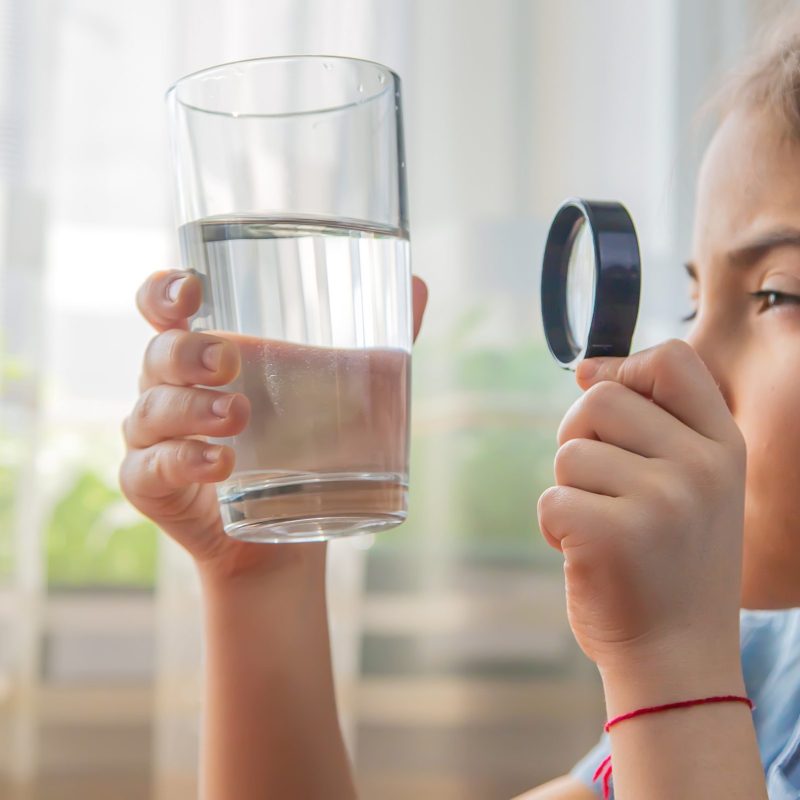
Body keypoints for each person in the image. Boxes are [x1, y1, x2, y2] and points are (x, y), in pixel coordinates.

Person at [119, 11, 800, 799]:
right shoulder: (758, 672)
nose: (687, 366)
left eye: (779, 291)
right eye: (690, 304)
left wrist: (675, 671)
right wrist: (262, 583)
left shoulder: (705, 671)